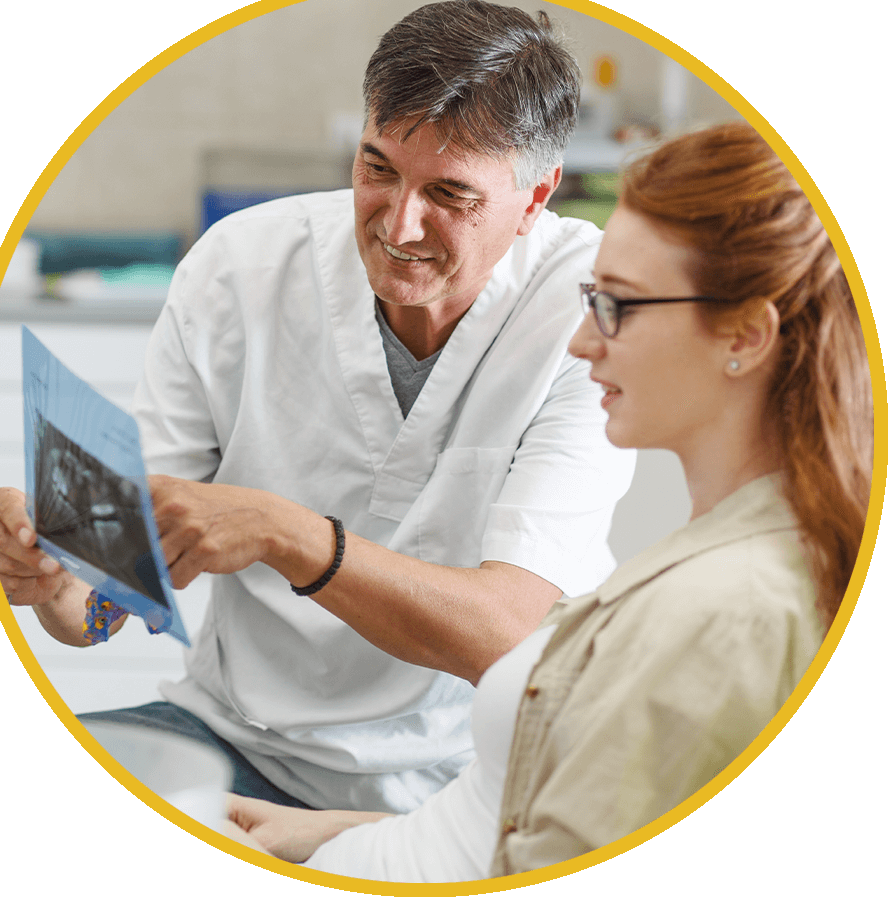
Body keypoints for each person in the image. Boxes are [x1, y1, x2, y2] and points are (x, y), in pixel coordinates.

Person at [0, 0, 634, 813]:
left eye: (451, 194)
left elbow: (503, 637)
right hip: (232, 736)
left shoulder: (592, 309)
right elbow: (104, 603)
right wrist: (49, 577)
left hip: (474, 774)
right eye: (378, 167)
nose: (400, 223)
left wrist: (282, 534)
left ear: (535, 198)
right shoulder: (240, 267)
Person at [220, 122, 873, 882]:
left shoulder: (726, 613)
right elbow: (531, 825)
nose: (582, 344)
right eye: (593, 299)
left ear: (746, 336)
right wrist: (328, 835)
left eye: (620, 307)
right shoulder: (706, 552)